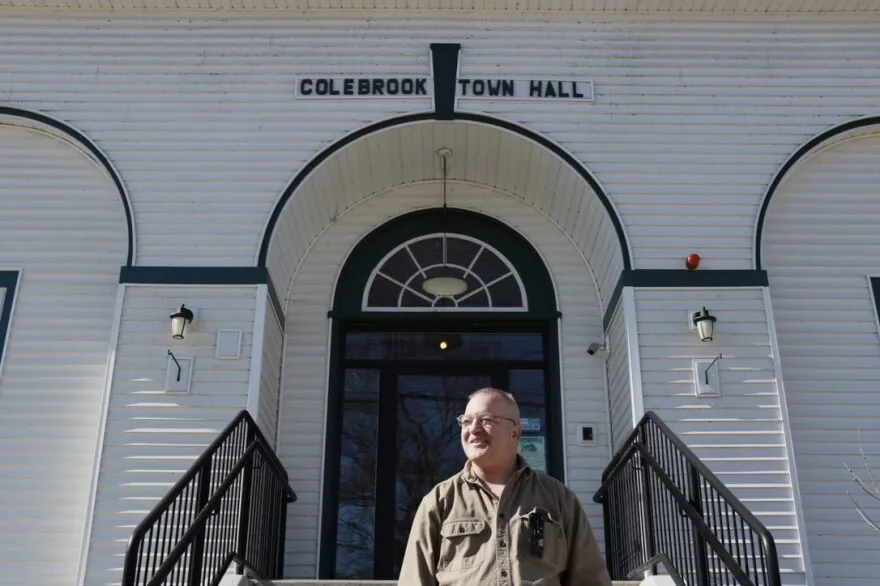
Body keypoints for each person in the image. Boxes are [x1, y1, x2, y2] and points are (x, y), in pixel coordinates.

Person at [398, 387, 613, 586]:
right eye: (466, 421)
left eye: (486, 420)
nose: (473, 429)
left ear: (515, 433)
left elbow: (590, 580)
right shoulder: (439, 502)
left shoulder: (558, 498)